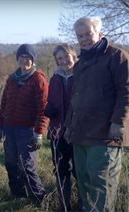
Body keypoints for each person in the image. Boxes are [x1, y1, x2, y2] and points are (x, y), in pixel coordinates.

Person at [64, 16, 129, 211]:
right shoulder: (81, 62)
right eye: (79, 36)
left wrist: (118, 122)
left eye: (88, 34)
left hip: (105, 135)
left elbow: (126, 91)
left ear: (99, 33)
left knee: (101, 188)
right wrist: (69, 126)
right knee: (84, 184)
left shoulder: (117, 57)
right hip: (81, 134)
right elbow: (75, 97)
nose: (83, 39)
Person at [0, 44, 48, 203]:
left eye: (28, 57)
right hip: (9, 128)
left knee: (26, 166)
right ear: (17, 59)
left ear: (33, 60)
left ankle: (40, 200)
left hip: (27, 130)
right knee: (10, 163)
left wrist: (38, 133)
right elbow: (4, 103)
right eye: (22, 57)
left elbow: (43, 109)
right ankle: (18, 196)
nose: (25, 60)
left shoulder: (38, 79)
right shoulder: (12, 78)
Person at [45, 44, 80, 211]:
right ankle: (63, 206)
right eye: (60, 58)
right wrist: (49, 109)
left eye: (67, 57)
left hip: (78, 133)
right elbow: (52, 101)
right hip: (57, 132)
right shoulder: (54, 78)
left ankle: (83, 205)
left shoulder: (82, 76)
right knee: (60, 169)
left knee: (80, 171)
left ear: (74, 56)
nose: (64, 61)